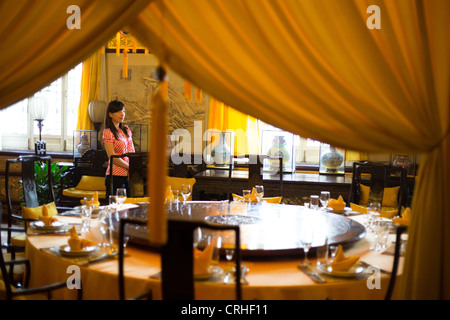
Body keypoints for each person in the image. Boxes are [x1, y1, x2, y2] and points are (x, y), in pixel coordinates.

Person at [102, 100, 135, 198]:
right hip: (115, 175)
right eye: (119, 111)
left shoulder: (126, 130)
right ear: (110, 114)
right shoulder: (108, 132)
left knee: (128, 208)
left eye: (123, 111)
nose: (122, 114)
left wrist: (131, 170)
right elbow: (112, 157)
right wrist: (129, 168)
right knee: (115, 209)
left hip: (128, 174)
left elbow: (131, 152)